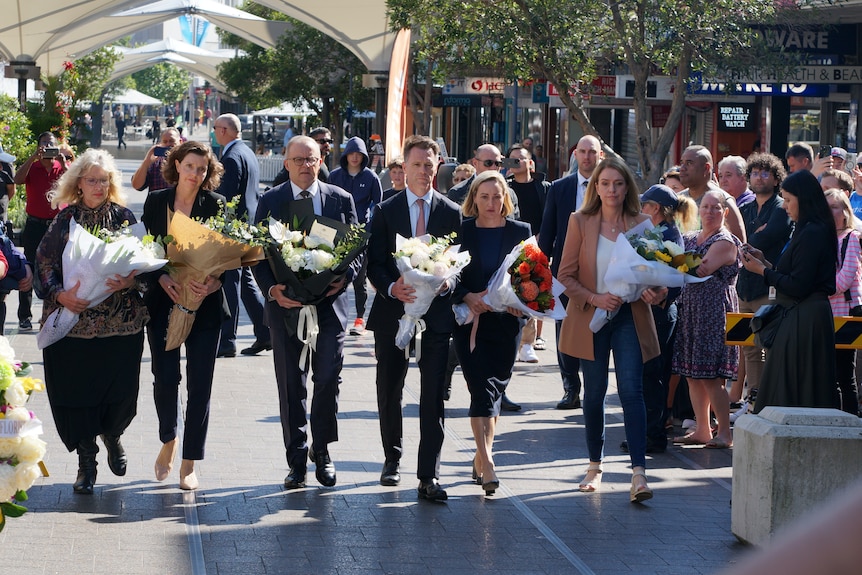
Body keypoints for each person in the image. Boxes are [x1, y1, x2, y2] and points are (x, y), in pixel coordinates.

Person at [36, 149, 148, 494]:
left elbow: (149, 263)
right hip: (75, 324)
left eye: (104, 180)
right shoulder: (64, 220)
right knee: (76, 395)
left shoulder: (125, 218)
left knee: (120, 393)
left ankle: (113, 436)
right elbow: (44, 263)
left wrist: (132, 280)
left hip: (121, 325)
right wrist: (59, 294)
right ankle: (87, 462)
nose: (98, 186)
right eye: (91, 180)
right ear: (78, 183)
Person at [252, 135, 360, 490]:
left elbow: (357, 249)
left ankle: (323, 451)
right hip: (285, 309)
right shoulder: (270, 200)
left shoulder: (340, 199)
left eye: (311, 159)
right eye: (297, 159)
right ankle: (296, 460)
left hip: (330, 308)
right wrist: (272, 290)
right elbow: (258, 252)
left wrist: (342, 279)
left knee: (328, 377)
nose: (304, 165)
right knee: (291, 386)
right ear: (286, 163)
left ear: (320, 160)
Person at [557, 156, 660, 503]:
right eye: (605, 184)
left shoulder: (642, 223)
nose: (612, 190)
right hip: (592, 317)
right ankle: (594, 465)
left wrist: (653, 290)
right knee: (595, 392)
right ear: (595, 188)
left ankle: (639, 473)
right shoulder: (580, 221)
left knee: (632, 391)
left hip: (630, 316)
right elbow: (565, 276)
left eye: (618, 183)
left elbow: (656, 277)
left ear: (627, 187)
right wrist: (594, 298)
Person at [366, 135, 461, 501]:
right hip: (393, 315)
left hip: (436, 318)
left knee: (433, 395)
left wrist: (447, 281)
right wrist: (392, 288)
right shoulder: (387, 210)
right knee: (389, 388)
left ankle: (428, 475)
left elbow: (457, 263)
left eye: (429, 164)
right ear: (403, 168)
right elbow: (374, 262)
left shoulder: (450, 212)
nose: (423, 171)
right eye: (416, 164)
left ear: (438, 167)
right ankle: (392, 458)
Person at [141, 141, 226, 491]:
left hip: (204, 306)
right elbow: (144, 252)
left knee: (200, 384)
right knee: (164, 377)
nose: (195, 173)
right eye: (190, 166)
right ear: (177, 165)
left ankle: (189, 461)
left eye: (202, 169)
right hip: (165, 303)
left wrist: (214, 280)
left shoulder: (216, 205)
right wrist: (160, 277)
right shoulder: (156, 202)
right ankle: (169, 438)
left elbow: (228, 254)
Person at [453, 171, 531, 495]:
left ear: (506, 200)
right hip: (470, 321)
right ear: (474, 199)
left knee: (494, 392)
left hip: (506, 324)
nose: (491, 203)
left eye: (497, 197)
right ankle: (488, 463)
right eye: (484, 197)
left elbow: (532, 275)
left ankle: (479, 455)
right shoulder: (462, 230)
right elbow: (449, 273)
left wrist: (522, 302)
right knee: (479, 392)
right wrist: (467, 296)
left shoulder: (520, 231)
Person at [741, 169, 840, 413]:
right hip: (801, 316)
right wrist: (764, 264)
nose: (784, 207)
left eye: (788, 200)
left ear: (803, 199)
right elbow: (795, 277)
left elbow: (798, 285)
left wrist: (762, 272)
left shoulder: (812, 232)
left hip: (804, 320)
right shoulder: (808, 229)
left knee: (795, 393)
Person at [622, 185, 695, 455]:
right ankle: (648, 432)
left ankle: (652, 435)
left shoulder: (668, 234)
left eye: (645, 204)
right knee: (650, 375)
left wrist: (660, 293)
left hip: (660, 313)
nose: (641, 208)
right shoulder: (657, 232)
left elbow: (679, 277)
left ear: (655, 208)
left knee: (651, 376)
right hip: (656, 311)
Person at [538, 135, 604, 410]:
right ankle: (570, 387)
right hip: (565, 272)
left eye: (592, 152)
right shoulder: (559, 188)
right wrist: (541, 271)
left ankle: (593, 388)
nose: (587, 157)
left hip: (600, 271)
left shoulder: (609, 187)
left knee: (594, 329)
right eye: (582, 151)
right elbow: (547, 232)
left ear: (600, 156)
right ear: (575, 155)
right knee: (564, 329)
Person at [672, 191, 741, 449]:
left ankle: (724, 432)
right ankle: (703, 429)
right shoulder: (690, 237)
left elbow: (701, 267)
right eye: (706, 207)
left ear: (725, 212)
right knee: (692, 374)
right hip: (690, 311)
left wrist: (675, 262)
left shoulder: (726, 241)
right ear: (699, 210)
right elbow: (683, 263)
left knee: (712, 377)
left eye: (716, 208)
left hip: (713, 313)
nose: (710, 212)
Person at [734, 153, 791, 412]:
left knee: (766, 343)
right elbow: (735, 240)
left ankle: (769, 399)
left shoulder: (782, 207)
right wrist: (751, 237)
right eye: (755, 173)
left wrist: (751, 237)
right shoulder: (743, 208)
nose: (759, 177)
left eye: (765, 173)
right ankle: (752, 399)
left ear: (777, 178)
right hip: (743, 285)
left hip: (767, 284)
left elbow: (767, 238)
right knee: (748, 348)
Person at [211, 114, 268, 358]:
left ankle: (228, 339)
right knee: (244, 282)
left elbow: (225, 196)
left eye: (215, 128)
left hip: (233, 228)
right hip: (247, 226)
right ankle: (265, 332)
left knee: (230, 283)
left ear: (224, 130)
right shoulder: (246, 151)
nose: (214, 132)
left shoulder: (232, 157)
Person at [329, 136, 383, 336]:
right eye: (351, 153)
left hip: (361, 234)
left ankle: (360, 318)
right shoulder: (335, 176)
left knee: (359, 278)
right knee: (334, 275)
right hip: (337, 233)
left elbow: (378, 205)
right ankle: (334, 316)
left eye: (358, 154)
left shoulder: (370, 178)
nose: (354, 158)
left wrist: (369, 228)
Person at [14, 131, 66, 331]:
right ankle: (24, 316)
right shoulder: (33, 167)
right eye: (44, 143)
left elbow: (77, 183)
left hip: (55, 226)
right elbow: (17, 180)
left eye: (51, 144)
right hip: (34, 225)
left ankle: (53, 312)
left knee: (58, 269)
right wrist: (31, 158)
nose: (47, 148)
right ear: (38, 146)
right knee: (28, 267)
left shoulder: (61, 167)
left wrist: (64, 162)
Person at [506, 144, 548, 363]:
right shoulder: (504, 186)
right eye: (510, 160)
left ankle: (529, 342)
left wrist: (542, 239)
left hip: (536, 246)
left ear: (530, 163)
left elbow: (549, 217)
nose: (514, 163)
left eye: (519, 159)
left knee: (532, 290)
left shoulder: (543, 187)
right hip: (509, 246)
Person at [825, 188, 861, 415]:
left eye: (835, 207)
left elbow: (847, 277)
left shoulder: (852, 238)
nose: (830, 212)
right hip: (827, 313)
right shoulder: (825, 238)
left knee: (845, 374)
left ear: (846, 211)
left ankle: (849, 420)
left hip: (845, 312)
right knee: (830, 374)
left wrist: (820, 290)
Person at [678, 145, 746, 243]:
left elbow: (740, 246)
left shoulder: (724, 202)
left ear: (706, 168)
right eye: (682, 163)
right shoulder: (677, 200)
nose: (682, 168)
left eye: (689, 163)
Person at [131, 128, 181, 193]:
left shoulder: (187, 162)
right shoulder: (155, 163)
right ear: (161, 143)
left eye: (172, 141)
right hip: (157, 202)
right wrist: (146, 162)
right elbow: (136, 185)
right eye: (165, 142)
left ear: (180, 142)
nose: (168, 144)